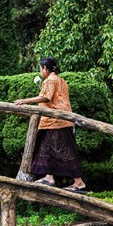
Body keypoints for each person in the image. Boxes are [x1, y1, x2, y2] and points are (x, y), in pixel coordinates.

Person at [14, 57, 87, 193]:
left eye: (41, 69)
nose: (41, 71)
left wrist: (25, 101)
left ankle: (79, 182)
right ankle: (49, 177)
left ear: (45, 68)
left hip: (56, 121)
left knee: (65, 151)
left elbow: (46, 97)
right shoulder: (62, 81)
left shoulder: (51, 80)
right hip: (54, 122)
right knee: (46, 148)